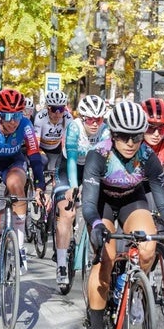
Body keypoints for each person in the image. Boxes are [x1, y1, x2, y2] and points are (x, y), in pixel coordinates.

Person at [81, 101, 164, 329]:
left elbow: (162, 201)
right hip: (102, 204)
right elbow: (88, 203)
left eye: (137, 137)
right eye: (124, 136)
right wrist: (96, 225)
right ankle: (96, 328)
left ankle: (131, 286)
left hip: (132, 199)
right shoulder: (99, 154)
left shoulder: (147, 156)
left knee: (148, 246)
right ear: (113, 134)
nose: (131, 142)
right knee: (104, 259)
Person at [0, 89, 47, 303]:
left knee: (16, 185)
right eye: (10, 116)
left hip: (12, 164)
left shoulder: (26, 125)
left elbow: (33, 155)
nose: (14, 121)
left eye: (18, 115)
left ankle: (19, 246)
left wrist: (40, 186)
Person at [53, 94, 110, 285]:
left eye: (99, 119)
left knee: (95, 211)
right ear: (82, 117)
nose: (94, 123)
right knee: (67, 213)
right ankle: (61, 264)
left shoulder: (104, 130)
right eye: (90, 119)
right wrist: (74, 187)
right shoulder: (74, 127)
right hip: (69, 167)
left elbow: (106, 160)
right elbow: (70, 159)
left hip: (91, 169)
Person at [33, 89, 73, 173]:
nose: (57, 114)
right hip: (41, 147)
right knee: (41, 162)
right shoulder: (40, 117)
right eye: (54, 109)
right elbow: (36, 141)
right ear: (48, 108)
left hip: (56, 148)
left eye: (61, 109)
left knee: (57, 170)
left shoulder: (68, 118)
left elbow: (68, 140)